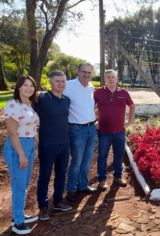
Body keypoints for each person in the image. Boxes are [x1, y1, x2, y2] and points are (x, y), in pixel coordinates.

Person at [3, 75, 39, 235]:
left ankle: (20, 214)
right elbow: (11, 132)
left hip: (29, 144)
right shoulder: (13, 105)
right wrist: (21, 154)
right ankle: (18, 222)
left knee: (24, 184)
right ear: (18, 87)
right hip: (18, 146)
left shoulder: (29, 104)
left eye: (31, 86)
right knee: (18, 185)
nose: (29, 88)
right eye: (25, 85)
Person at [35, 71, 73, 221]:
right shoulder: (41, 99)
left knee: (61, 174)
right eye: (57, 81)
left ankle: (57, 201)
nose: (61, 84)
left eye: (63, 81)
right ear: (50, 82)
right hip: (47, 145)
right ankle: (43, 207)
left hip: (64, 144)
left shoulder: (66, 100)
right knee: (44, 176)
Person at [94, 69, 135, 191]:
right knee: (102, 156)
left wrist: (130, 121)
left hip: (119, 131)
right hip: (103, 131)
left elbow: (132, 106)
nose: (110, 79)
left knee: (118, 155)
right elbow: (89, 107)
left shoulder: (124, 92)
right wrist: (94, 120)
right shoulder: (98, 93)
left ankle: (118, 177)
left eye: (112, 77)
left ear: (117, 78)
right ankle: (102, 180)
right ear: (104, 79)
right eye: (108, 77)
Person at [64, 63, 98, 203]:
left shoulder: (91, 87)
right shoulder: (68, 85)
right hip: (76, 129)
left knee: (87, 159)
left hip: (91, 128)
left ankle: (83, 185)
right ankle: (71, 189)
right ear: (77, 71)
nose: (86, 75)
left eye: (89, 72)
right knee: (76, 161)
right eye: (84, 71)